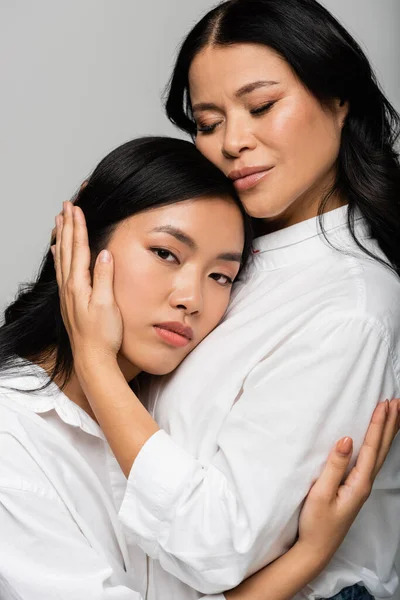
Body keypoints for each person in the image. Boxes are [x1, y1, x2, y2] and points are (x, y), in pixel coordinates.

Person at [52, 1, 400, 600]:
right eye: (208, 123)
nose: (234, 142)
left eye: (262, 107)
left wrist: (95, 363)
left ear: (339, 100)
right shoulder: (233, 251)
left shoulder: (349, 307)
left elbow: (218, 547)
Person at [2, 136, 397, 600]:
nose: (191, 298)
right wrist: (306, 557)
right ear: (81, 243)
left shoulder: (156, 413)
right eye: (166, 253)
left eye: (220, 276)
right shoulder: (13, 435)